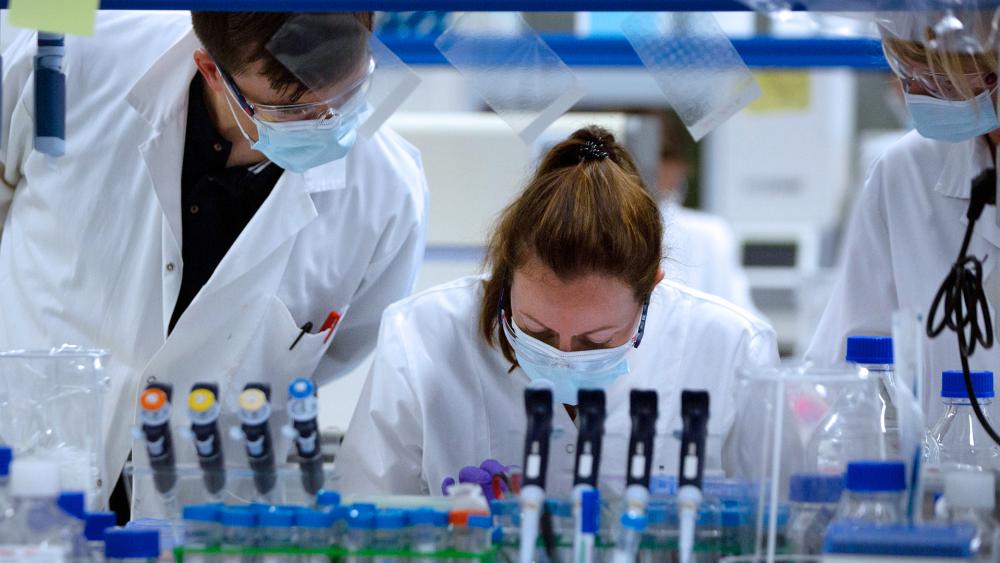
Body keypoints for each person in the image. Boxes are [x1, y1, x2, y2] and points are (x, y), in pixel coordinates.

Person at [0, 12, 428, 517]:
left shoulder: (388, 196)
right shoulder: (70, 55)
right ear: (209, 70)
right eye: (292, 111)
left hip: (203, 510)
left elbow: (343, 351)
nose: (329, 125)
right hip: (31, 473)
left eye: (349, 94)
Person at [334, 126, 778, 496]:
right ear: (504, 274)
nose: (564, 356)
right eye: (537, 333)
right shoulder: (422, 337)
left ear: (651, 290)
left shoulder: (730, 349)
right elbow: (363, 521)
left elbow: (775, 531)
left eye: (597, 340)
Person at [807, 9, 1000, 421]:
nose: (918, 93)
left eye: (941, 79)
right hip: (944, 473)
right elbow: (847, 365)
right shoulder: (904, 171)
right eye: (910, 75)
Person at [654, 112, 755, 312]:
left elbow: (738, 318)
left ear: (681, 166)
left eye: (662, 154)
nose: (645, 166)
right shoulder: (586, 229)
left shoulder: (709, 234)